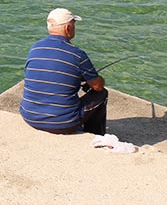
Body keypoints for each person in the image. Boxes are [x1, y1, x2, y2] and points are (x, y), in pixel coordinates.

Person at [19, 7, 107, 135]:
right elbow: (98, 86)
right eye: (74, 25)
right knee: (101, 94)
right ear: (68, 28)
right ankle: (94, 134)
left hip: (29, 116)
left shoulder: (34, 48)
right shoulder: (78, 54)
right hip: (62, 124)